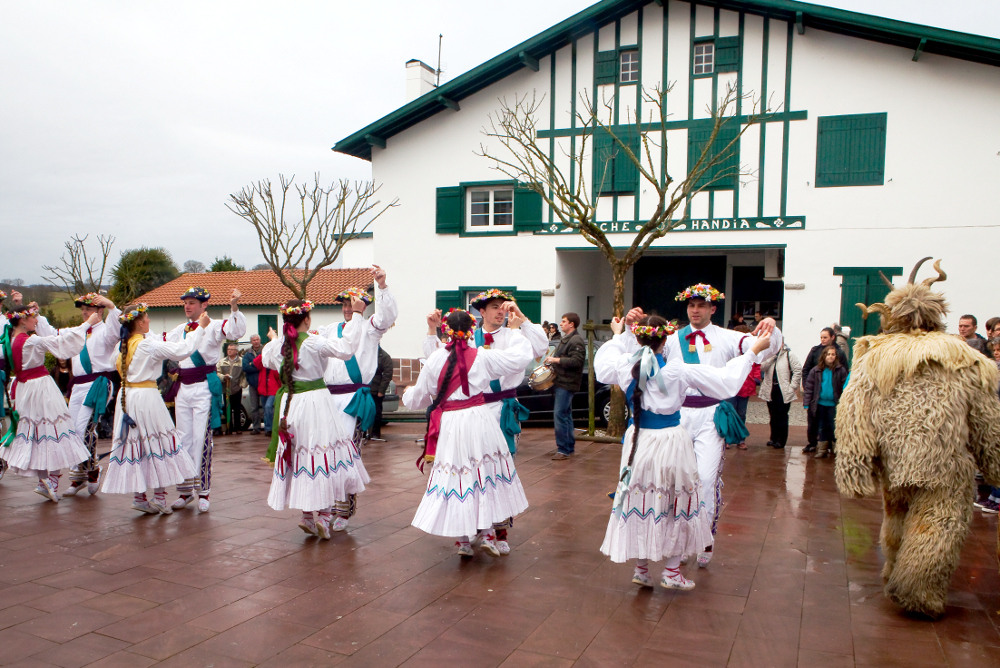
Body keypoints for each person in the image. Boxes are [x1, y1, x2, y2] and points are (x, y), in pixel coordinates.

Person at [596, 315, 771, 590]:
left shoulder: (625, 364)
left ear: (639, 339)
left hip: (638, 439)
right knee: (680, 501)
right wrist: (752, 351)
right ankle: (672, 571)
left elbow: (602, 365)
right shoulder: (677, 370)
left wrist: (619, 335)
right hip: (670, 440)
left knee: (642, 498)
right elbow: (725, 381)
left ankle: (641, 569)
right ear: (665, 340)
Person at [623, 284, 782, 567]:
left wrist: (771, 327)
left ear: (712, 309)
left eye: (700, 305)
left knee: (706, 479)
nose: (695, 310)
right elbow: (639, 350)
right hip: (678, 417)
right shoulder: (672, 338)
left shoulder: (727, 336)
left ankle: (705, 536)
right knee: (677, 482)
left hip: (710, 415)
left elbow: (765, 346)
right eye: (691, 306)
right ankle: (680, 542)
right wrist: (633, 325)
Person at [424, 290, 548, 552]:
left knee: (499, 471)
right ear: (481, 312)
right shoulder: (469, 338)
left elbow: (540, 348)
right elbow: (438, 362)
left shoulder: (516, 334)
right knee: (469, 472)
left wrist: (522, 320)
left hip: (502, 409)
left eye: (504, 307)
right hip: (474, 411)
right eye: (495, 307)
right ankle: (469, 531)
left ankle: (498, 532)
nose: (501, 311)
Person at [261, 298, 367, 539]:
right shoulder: (314, 342)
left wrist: (274, 339)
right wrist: (358, 314)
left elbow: (268, 359)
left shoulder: (277, 346)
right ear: (306, 319)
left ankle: (307, 516)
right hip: (318, 403)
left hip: (292, 404)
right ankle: (325, 516)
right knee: (324, 455)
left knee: (301, 456)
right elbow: (347, 348)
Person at [312, 265, 397, 529]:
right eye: (344, 304)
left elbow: (387, 317)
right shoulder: (329, 329)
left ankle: (344, 510)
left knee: (347, 454)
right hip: (328, 399)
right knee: (324, 453)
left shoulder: (371, 327)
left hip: (353, 399)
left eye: (353, 303)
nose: (348, 308)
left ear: (362, 304)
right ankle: (324, 510)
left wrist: (382, 286)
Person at [102, 304, 205, 514]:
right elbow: (181, 351)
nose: (149, 321)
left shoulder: (122, 345)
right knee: (158, 442)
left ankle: (140, 497)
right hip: (146, 397)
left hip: (127, 397)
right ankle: (159, 497)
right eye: (147, 318)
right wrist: (200, 328)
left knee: (137, 443)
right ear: (139, 322)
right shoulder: (146, 345)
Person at [24, 292, 120, 497]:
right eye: (83, 309)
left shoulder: (105, 332)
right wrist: (38, 317)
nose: (85, 312)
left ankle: (90, 470)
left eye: (89, 309)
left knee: (83, 429)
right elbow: (52, 335)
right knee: (69, 431)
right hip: (77, 386)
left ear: (99, 310)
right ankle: (81, 475)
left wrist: (112, 306)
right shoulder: (76, 331)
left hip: (99, 383)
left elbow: (117, 329)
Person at [0, 302, 98, 500]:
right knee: (55, 431)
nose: (36, 321)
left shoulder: (10, 341)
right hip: (41, 388)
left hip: (25, 390)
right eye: (34, 317)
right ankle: (51, 480)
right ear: (24, 320)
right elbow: (60, 341)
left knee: (39, 433)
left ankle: (45, 480)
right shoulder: (31, 341)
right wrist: (87, 324)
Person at [164, 286, 246, 512]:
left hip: (202, 388)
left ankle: (204, 491)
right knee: (183, 439)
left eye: (191, 302)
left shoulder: (216, 325)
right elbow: (164, 346)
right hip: (183, 389)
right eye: (185, 302)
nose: (187, 306)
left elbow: (236, 331)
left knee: (202, 439)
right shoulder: (179, 329)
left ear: (204, 305)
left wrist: (234, 307)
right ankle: (184, 491)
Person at [801, 328, 849, 452]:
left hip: (833, 398)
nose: (822, 340)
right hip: (817, 395)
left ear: (832, 337)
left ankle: (832, 446)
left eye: (825, 337)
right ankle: (813, 444)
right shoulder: (815, 351)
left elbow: (845, 374)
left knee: (832, 423)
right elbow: (806, 369)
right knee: (815, 422)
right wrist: (807, 387)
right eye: (821, 337)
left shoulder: (839, 353)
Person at [548, 313, 586, 460]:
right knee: (566, 415)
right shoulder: (570, 339)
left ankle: (563, 449)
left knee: (559, 415)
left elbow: (576, 361)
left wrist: (555, 360)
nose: (561, 324)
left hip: (566, 382)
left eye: (564, 321)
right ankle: (568, 447)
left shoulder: (575, 340)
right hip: (563, 381)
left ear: (572, 324)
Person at [758, 342, 802, 450]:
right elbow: (762, 367)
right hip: (771, 389)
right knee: (773, 415)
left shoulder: (789, 355)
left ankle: (781, 440)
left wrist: (792, 387)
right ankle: (773, 438)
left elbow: (798, 369)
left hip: (783, 390)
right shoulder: (768, 355)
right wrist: (772, 357)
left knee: (782, 415)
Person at [726, 324, 757, 450]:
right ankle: (728, 438)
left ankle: (740, 439)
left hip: (745, 386)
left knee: (741, 414)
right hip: (730, 385)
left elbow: (756, 365)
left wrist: (755, 378)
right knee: (730, 412)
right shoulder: (729, 351)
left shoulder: (750, 352)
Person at [217, 342, 245, 434]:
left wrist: (242, 384)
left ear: (236, 351)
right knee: (226, 407)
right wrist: (223, 377)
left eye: (231, 349)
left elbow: (245, 374)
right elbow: (217, 372)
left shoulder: (241, 361)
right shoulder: (222, 361)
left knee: (237, 408)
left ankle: (238, 428)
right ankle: (229, 427)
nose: (229, 351)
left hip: (236, 388)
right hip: (226, 389)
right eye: (228, 349)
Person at [368, 345, 393, 440]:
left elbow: (387, 375)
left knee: (376, 412)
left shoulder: (384, 356)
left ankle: (375, 433)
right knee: (363, 411)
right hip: (364, 388)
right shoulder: (365, 353)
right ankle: (363, 433)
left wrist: (381, 390)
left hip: (376, 389)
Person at [252, 354, 280, 433]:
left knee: (268, 407)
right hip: (264, 389)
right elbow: (255, 362)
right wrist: (264, 353)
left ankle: (270, 428)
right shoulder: (263, 363)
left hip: (273, 390)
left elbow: (279, 375)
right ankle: (268, 429)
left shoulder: (275, 363)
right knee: (265, 410)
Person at [242, 334, 264, 433]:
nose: (256, 341)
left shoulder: (265, 351)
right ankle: (256, 427)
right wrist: (257, 365)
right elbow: (245, 367)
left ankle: (268, 427)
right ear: (251, 342)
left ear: (260, 340)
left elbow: (266, 365)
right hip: (252, 383)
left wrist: (252, 364)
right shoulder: (247, 354)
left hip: (264, 383)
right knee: (254, 407)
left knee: (265, 406)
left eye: (257, 339)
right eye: (254, 340)